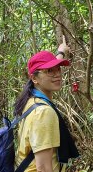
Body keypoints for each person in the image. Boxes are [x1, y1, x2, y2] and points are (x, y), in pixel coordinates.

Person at [14, 36, 79, 172]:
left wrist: (61, 51)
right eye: (50, 71)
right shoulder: (43, 112)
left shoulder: (31, 100)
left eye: (58, 69)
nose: (57, 75)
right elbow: (43, 168)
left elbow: (49, 68)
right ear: (34, 78)